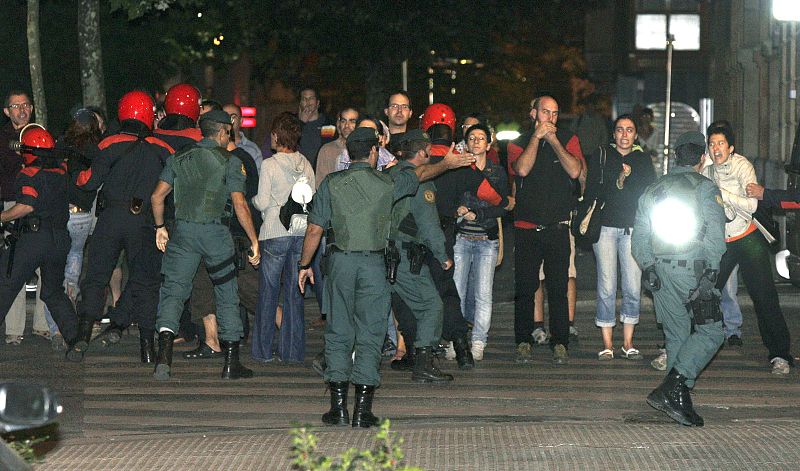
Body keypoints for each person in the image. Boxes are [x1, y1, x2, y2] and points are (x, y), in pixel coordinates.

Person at [297, 127, 475, 428]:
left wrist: (304, 265)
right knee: (371, 332)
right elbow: (417, 176)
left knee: (340, 330)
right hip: (374, 266)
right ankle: (363, 411)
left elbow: (314, 229)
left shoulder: (330, 183)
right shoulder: (385, 183)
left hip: (339, 263)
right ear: (373, 153)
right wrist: (447, 164)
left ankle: (338, 408)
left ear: (348, 154)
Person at [151, 109, 260, 380]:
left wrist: (160, 228)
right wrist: (253, 240)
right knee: (226, 293)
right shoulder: (230, 161)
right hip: (216, 235)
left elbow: (157, 197)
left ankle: (163, 359)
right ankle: (231, 362)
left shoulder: (178, 158)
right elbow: (239, 204)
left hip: (183, 234)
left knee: (174, 292)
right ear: (222, 132)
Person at [70, 91, 174, 362]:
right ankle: (147, 348)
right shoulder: (164, 148)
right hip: (146, 222)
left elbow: (88, 182)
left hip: (112, 218)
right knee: (145, 282)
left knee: (96, 277)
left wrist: (72, 172)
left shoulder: (110, 143)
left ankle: (82, 338)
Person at [632, 131, 726, 427]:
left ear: (675, 156)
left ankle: (677, 400)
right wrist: (711, 272)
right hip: (694, 269)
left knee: (676, 335)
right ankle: (674, 387)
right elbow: (714, 234)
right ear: (702, 157)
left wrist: (649, 268)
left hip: (660, 270)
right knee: (712, 333)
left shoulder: (653, 189)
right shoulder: (704, 187)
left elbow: (640, 236)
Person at [702, 124, 793, 374]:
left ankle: (780, 354)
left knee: (764, 297)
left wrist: (723, 194)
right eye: (711, 143)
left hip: (748, 237)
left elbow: (752, 205)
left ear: (730, 148)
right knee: (704, 293)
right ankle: (680, 349)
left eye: (721, 143)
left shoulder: (742, 166)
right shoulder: (706, 171)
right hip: (722, 241)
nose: (716, 148)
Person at [510, 95, 583, 365]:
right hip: (527, 227)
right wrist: (536, 139)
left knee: (558, 288)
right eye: (545, 112)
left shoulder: (568, 138)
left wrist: (553, 140)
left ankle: (560, 341)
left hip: (557, 226)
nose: (550, 118)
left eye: (554, 113)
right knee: (526, 288)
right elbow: (522, 169)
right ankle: (523, 340)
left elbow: (575, 171)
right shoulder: (518, 142)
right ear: (533, 114)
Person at [0, 125, 82, 361]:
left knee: (5, 285)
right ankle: (76, 338)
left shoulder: (29, 174)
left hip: (34, 238)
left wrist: (2, 217)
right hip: (59, 239)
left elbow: (26, 205)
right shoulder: (61, 173)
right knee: (53, 291)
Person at [584, 114, 655, 360]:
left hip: (632, 229)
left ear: (636, 135)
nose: (624, 135)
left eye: (629, 130)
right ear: (613, 134)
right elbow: (592, 188)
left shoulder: (643, 159)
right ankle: (607, 343)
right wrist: (619, 178)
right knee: (606, 284)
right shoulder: (602, 155)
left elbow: (649, 192)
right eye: (620, 130)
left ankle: (627, 341)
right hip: (604, 228)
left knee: (633, 286)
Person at [388, 129, 454, 382]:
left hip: (380, 253)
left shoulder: (390, 173)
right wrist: (442, 255)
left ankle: (330, 357)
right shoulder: (421, 182)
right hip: (404, 256)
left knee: (368, 307)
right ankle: (424, 363)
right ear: (423, 152)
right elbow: (427, 224)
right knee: (431, 305)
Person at [251, 112, 314, 363]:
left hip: (275, 231)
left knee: (268, 292)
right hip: (300, 231)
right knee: (293, 293)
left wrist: (254, 202)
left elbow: (263, 201)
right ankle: (292, 352)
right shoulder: (305, 163)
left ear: (277, 136)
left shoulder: (269, 164)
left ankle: (264, 351)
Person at [453, 124, 510, 361]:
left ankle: (478, 341)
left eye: (481, 138)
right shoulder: (458, 169)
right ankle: (456, 340)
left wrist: (477, 214)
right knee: (456, 291)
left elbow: (503, 205)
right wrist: (458, 210)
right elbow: (450, 197)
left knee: (483, 294)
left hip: (486, 239)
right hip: (461, 239)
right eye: (472, 138)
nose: (476, 142)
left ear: (489, 144)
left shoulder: (496, 172)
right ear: (465, 143)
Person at [1, 90, 49, 345]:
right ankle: (14, 329)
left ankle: (43, 325)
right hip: (14, 204)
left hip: (40, 205)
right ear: (7, 111)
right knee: (14, 266)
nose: (22, 110)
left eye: (26, 105)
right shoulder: (4, 139)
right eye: (16, 106)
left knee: (44, 264)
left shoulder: (41, 133)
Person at [316, 108, 358, 187]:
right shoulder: (327, 150)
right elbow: (320, 185)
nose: (347, 125)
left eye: (352, 121)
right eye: (343, 121)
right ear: (338, 124)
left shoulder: (366, 150)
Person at [297, 87, 334, 169]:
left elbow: (329, 147)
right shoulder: (294, 124)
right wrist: (301, 123)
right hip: (300, 172)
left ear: (318, 103)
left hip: (322, 170)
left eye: (311, 98)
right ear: (300, 103)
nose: (307, 101)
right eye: (304, 99)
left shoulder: (327, 123)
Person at [223, 103, 263, 170]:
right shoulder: (214, 145)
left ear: (241, 121)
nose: (229, 120)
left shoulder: (253, 150)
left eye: (233, 117)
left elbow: (256, 178)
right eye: (225, 116)